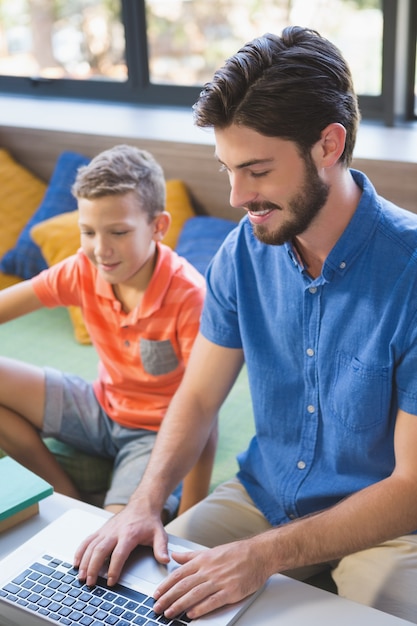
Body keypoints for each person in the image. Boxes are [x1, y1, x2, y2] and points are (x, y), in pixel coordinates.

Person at [73, 27, 417, 624]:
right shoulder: (241, 253)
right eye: (228, 168)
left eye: (256, 171)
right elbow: (201, 394)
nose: (236, 196)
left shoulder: (411, 271)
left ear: (328, 145)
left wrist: (261, 558)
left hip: (385, 523)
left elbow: (411, 485)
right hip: (264, 496)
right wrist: (145, 502)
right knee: (133, 602)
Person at [0, 143, 215, 519]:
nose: (101, 250)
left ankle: (96, 515)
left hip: (159, 434)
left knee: (116, 535)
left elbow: (203, 414)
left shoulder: (189, 297)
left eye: (117, 232)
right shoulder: (83, 268)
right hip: (99, 406)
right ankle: (64, 498)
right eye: (88, 232)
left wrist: (192, 515)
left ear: (158, 227)